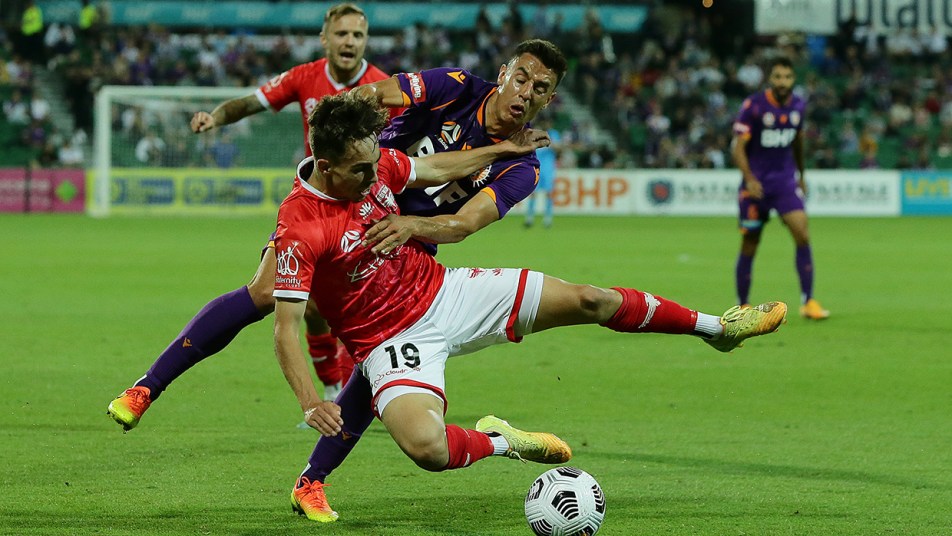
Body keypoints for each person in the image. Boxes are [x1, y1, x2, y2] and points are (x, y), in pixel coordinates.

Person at [275, 93, 788, 522]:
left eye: (373, 166)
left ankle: (717, 328)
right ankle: (503, 441)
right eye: (359, 171)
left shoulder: (376, 164)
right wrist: (308, 401)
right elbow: (286, 329)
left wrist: (500, 149)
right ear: (325, 166)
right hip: (392, 342)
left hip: (449, 292)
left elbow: (435, 166)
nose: (373, 178)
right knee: (427, 448)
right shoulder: (299, 227)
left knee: (591, 298)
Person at [106, 37, 567, 430]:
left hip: (408, 239)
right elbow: (372, 98)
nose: (526, 91)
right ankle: (146, 387)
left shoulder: (521, 163)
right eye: (522, 77)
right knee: (268, 291)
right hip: (356, 189)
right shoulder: (455, 87)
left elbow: (464, 223)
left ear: (548, 100)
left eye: (540, 88)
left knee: (380, 339)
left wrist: (415, 224)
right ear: (505, 72)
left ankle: (318, 466)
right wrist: (349, 143)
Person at [110, 3, 392, 411]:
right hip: (315, 204)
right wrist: (216, 117)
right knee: (270, 293)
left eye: (358, 35)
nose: (349, 42)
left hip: (367, 207)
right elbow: (250, 102)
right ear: (325, 39)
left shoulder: (384, 88)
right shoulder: (304, 77)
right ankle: (148, 386)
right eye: (342, 34)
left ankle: (362, 396)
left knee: (347, 305)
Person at [731, 56, 829, 320]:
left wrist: (802, 174)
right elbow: (737, 147)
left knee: (802, 233)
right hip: (757, 187)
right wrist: (749, 179)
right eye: (778, 77)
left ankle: (808, 302)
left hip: (785, 183)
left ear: (793, 79)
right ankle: (742, 306)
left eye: (787, 77)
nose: (782, 82)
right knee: (750, 243)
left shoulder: (799, 105)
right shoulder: (754, 106)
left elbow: (797, 141)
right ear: (770, 79)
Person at [524, 114, 560, 228]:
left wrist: (551, 143)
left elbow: (559, 148)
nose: (547, 125)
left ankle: (548, 219)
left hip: (548, 167)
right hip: (536, 166)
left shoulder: (554, 134)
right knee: (532, 193)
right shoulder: (534, 133)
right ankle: (529, 218)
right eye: (545, 122)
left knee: (549, 193)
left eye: (548, 123)